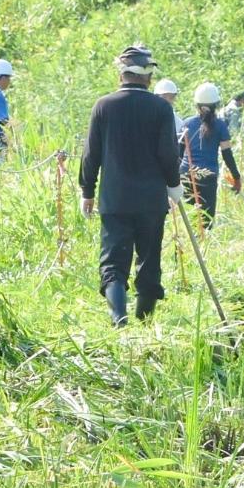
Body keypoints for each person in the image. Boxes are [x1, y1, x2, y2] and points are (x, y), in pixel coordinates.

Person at [79, 44, 180, 326]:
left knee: (113, 260)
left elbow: (91, 154)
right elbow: (168, 153)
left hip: (115, 198)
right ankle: (144, 321)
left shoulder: (103, 106)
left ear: (121, 74)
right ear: (147, 77)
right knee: (149, 258)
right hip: (151, 199)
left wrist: (87, 191)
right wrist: (174, 185)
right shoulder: (161, 108)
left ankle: (118, 320)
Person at [179, 82, 243, 228]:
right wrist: (236, 177)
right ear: (217, 105)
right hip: (208, 176)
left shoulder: (186, 124)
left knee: (188, 220)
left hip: (186, 174)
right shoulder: (220, 126)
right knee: (206, 221)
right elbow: (227, 155)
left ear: (197, 105)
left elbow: (178, 154)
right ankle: (203, 247)